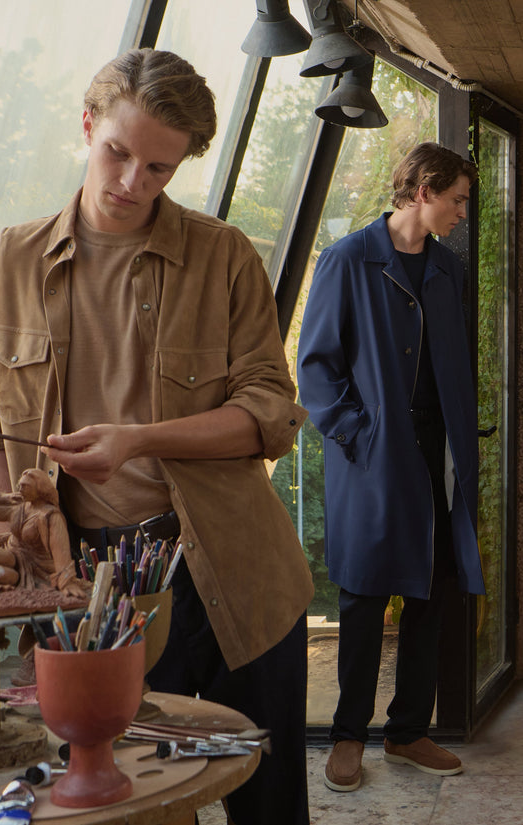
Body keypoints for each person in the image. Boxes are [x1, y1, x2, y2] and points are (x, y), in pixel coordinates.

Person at [0, 48, 314, 825]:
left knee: (268, 805)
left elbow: (269, 409)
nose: (132, 183)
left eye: (159, 169)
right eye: (117, 153)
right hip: (89, 587)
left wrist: (137, 438)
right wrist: (11, 532)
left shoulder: (224, 255)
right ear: (88, 124)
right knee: (122, 805)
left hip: (233, 568)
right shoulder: (11, 256)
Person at [297, 142, 485, 792]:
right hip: (376, 457)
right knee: (364, 595)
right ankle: (349, 736)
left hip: (441, 453)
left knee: (433, 591)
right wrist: (359, 432)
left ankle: (407, 731)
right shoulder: (349, 260)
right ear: (425, 189)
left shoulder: (447, 270)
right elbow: (316, 368)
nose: (463, 211)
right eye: (457, 198)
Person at [0, 468, 87, 597]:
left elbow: (60, 551)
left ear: (40, 488)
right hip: (12, 553)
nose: (20, 489)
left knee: (9, 572)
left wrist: (67, 582)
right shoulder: (21, 508)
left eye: (25, 486)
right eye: (20, 485)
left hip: (37, 565)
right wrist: (2, 498)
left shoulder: (49, 516)